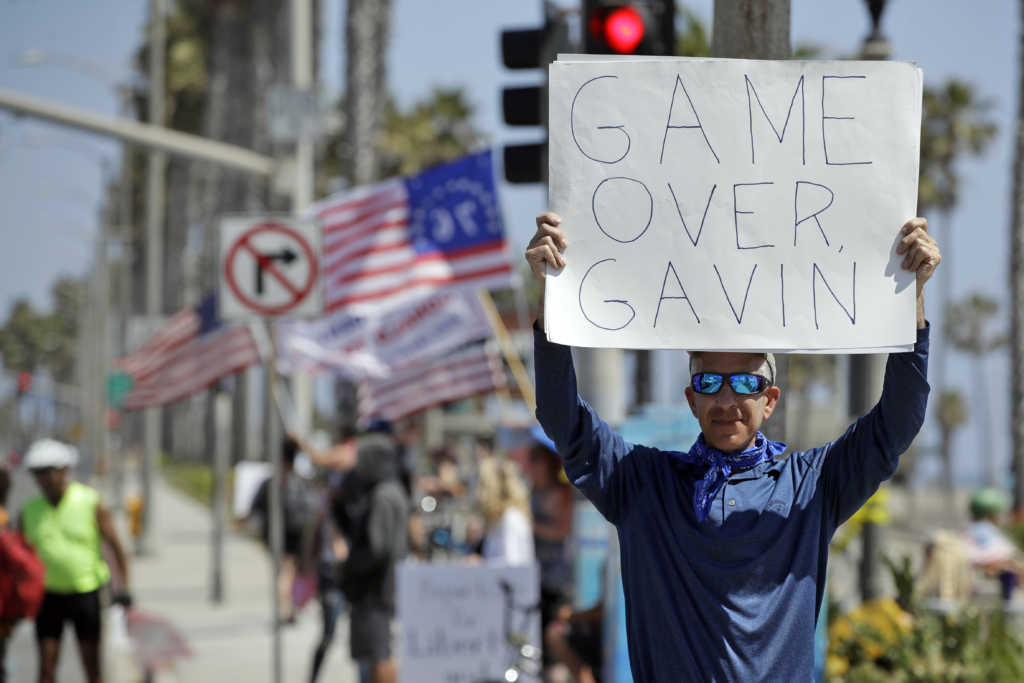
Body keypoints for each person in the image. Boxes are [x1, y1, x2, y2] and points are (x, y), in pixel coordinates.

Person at [525, 212, 940, 680]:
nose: (725, 400)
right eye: (709, 382)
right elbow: (562, 417)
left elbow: (897, 422)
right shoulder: (640, 483)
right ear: (691, 399)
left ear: (769, 400)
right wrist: (550, 292)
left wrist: (914, 297)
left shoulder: (814, 485)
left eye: (744, 382)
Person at [18, 439, 131, 683]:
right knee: (46, 668)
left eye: (47, 472)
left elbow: (116, 546)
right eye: (37, 474)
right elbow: (20, 559)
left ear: (64, 471)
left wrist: (124, 588)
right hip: (48, 596)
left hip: (86, 593)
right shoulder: (29, 511)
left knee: (92, 668)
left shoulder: (89, 502)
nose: (42, 480)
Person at [332, 428, 409, 683]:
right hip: (381, 590)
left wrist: (349, 565)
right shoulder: (391, 491)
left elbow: (377, 549)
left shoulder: (383, 495)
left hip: (375, 593)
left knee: (378, 658)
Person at [245, 436, 316, 625]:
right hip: (297, 533)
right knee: (289, 571)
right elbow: (314, 509)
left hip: (275, 534)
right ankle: (289, 609)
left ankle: (284, 610)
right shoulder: (303, 481)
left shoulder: (269, 482)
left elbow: (252, 511)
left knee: (282, 573)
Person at [525, 426, 574, 655]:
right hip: (535, 577)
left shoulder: (561, 493)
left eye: (536, 460)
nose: (531, 466)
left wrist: (531, 527)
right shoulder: (532, 492)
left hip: (556, 578)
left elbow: (562, 531)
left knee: (553, 641)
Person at [964, 487, 1022, 605]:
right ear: (991, 514)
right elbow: (988, 556)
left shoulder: (973, 530)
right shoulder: (984, 530)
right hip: (994, 587)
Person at [477, 457, 535, 566]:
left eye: (482, 485)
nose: (479, 492)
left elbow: (512, 565)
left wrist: (480, 564)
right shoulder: (502, 519)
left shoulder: (511, 519)